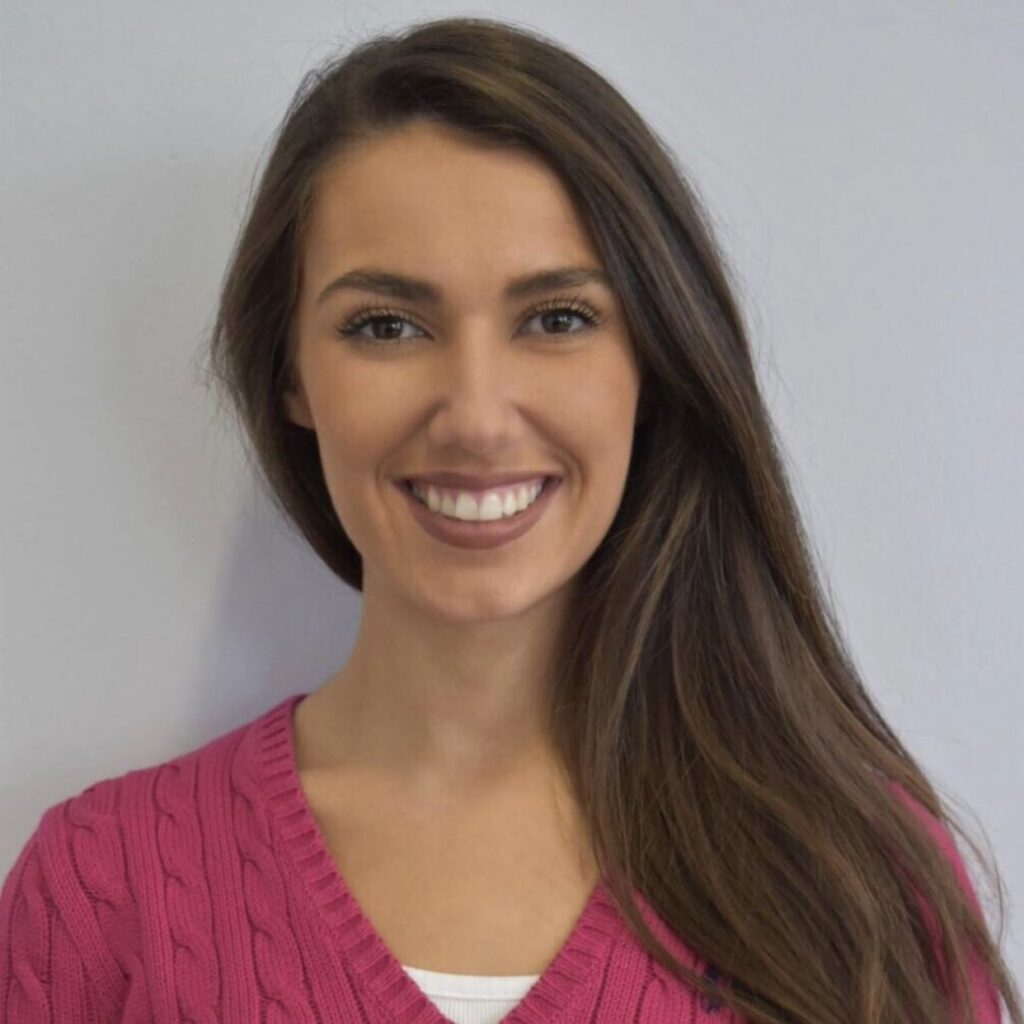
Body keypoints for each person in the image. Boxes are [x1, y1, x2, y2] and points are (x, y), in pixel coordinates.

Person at [1, 15, 1019, 1024]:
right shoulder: (103, 887)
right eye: (387, 325)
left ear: (652, 363)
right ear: (291, 377)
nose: (478, 418)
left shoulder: (863, 883)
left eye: (557, 319)